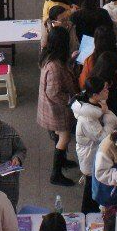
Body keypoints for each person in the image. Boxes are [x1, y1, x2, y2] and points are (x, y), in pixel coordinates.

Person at [38, 27, 79, 187]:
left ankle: (62, 161)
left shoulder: (50, 57)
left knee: (60, 136)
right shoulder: (54, 66)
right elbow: (54, 93)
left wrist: (71, 60)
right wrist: (72, 99)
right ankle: (56, 174)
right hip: (57, 109)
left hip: (51, 108)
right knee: (64, 137)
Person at [73, 78, 117, 214]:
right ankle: (87, 214)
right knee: (91, 189)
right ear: (95, 95)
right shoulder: (87, 118)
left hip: (94, 152)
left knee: (95, 185)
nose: (107, 90)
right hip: (90, 155)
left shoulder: (96, 105)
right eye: (104, 89)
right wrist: (110, 121)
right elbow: (103, 137)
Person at [80, 24, 117, 94]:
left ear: (95, 41)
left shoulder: (90, 61)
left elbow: (83, 84)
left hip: (98, 96)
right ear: (114, 40)